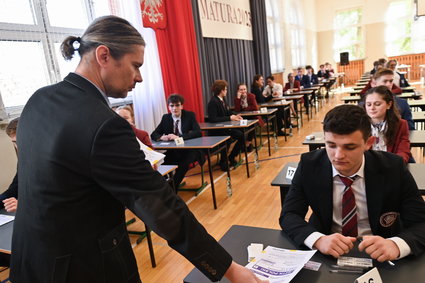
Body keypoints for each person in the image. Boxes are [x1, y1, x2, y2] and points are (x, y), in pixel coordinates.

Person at [10, 16, 264, 283]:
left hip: (30, 262)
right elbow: (160, 206)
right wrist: (231, 269)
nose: (140, 77)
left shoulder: (38, 100)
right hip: (84, 267)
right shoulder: (103, 124)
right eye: (135, 65)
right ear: (104, 55)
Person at [280, 104, 425, 262]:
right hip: (327, 250)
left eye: (349, 147)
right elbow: (289, 214)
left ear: (368, 143)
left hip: (381, 252)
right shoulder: (309, 165)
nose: (338, 155)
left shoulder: (393, 167)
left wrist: (396, 245)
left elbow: (420, 222)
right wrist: (318, 240)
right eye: (331, 145)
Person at [151, 94, 205, 187]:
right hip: (174, 150)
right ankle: (167, 185)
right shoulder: (166, 118)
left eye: (177, 105)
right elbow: (154, 134)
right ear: (168, 107)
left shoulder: (189, 115)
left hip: (190, 150)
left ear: (181, 106)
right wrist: (161, 137)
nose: (174, 108)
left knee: (183, 164)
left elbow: (198, 132)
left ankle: (173, 188)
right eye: (172, 106)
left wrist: (179, 137)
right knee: (161, 163)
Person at [363, 86, 412, 163]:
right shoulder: (359, 125)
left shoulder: (401, 124)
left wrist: (393, 165)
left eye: (377, 104)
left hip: (392, 166)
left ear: (389, 104)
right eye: (368, 105)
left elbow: (403, 151)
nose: (372, 108)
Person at [207, 80, 246, 170]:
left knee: (242, 135)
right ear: (221, 90)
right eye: (226, 89)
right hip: (217, 130)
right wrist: (229, 118)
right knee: (228, 139)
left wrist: (235, 115)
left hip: (225, 127)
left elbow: (227, 111)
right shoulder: (213, 102)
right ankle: (223, 162)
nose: (226, 91)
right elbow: (213, 119)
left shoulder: (222, 100)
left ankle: (231, 157)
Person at [0, 118, 19, 212]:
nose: (19, 147)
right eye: (15, 143)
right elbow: (14, 189)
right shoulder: (24, 161)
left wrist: (24, 204)